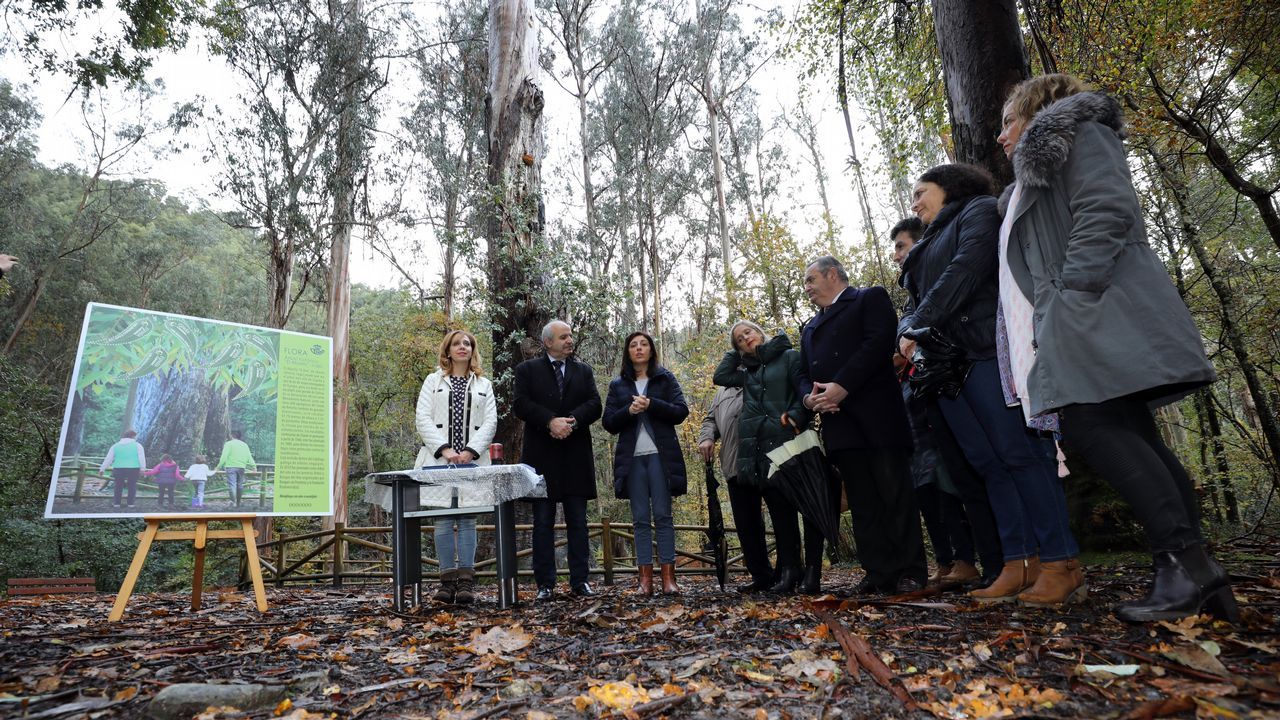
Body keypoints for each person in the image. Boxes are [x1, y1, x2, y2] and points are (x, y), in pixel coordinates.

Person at [996, 74, 1233, 622]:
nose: (1002, 138)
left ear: (1039, 111)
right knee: (1130, 431)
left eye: (1008, 123)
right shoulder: (1036, 175)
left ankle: (1183, 566)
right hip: (1082, 318)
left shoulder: (1081, 134)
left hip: (1096, 311)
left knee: (1091, 426)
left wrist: (1073, 290)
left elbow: (1106, 206)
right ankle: (1195, 572)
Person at [897, 163, 1083, 607]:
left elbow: (967, 269)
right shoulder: (923, 246)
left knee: (1022, 455)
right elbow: (911, 303)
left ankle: (1062, 562)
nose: (916, 202)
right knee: (986, 463)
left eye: (922, 192)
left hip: (987, 352)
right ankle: (1020, 562)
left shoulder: (979, 210)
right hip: (945, 369)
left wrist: (916, 324)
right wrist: (905, 328)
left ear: (949, 187)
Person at [799, 256, 928, 595]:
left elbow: (878, 342)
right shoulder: (810, 327)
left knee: (894, 494)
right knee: (863, 502)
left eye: (811, 280)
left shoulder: (869, 298)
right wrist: (808, 400)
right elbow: (802, 374)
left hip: (876, 416)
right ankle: (878, 571)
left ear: (832, 274)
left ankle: (910, 571)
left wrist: (842, 387)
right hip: (839, 425)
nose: (807, 288)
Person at [891, 216, 997, 587]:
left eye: (902, 247)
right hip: (920, 429)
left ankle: (989, 562)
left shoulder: (947, 290)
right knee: (934, 501)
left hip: (955, 402)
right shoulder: (911, 304)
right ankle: (952, 562)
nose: (896, 257)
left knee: (966, 488)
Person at [714, 321, 822, 595]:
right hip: (765, 451)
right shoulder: (748, 372)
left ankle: (812, 573)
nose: (745, 339)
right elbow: (721, 375)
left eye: (748, 332)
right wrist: (741, 354)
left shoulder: (789, 356)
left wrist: (797, 416)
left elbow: (804, 391)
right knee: (780, 511)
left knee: (809, 508)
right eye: (739, 339)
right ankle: (789, 572)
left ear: (760, 331)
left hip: (793, 443)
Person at [513, 320, 603, 601]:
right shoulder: (527, 370)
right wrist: (550, 421)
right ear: (548, 342)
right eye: (563, 337)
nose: (569, 341)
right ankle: (545, 585)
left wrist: (572, 422)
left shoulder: (583, 371)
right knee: (542, 522)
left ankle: (580, 581)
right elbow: (521, 404)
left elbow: (595, 404)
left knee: (578, 521)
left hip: (575, 455)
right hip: (542, 456)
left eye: (571, 336)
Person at [414, 328, 498, 605]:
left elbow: (490, 422)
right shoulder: (432, 380)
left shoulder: (484, 384)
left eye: (467, 344)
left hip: (472, 461)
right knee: (444, 519)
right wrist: (445, 450)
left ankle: (466, 583)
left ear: (473, 351)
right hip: (438, 460)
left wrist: (470, 451)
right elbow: (423, 418)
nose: (462, 347)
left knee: (467, 519)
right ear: (447, 350)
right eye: (456, 344)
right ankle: (446, 582)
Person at [603, 331, 690, 595]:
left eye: (644, 344)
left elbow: (680, 411)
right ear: (627, 352)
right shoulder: (618, 385)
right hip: (633, 461)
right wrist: (628, 411)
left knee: (663, 516)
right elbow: (608, 422)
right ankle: (644, 581)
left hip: (661, 458)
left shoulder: (665, 378)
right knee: (640, 520)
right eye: (633, 345)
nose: (639, 349)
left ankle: (668, 579)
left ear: (651, 351)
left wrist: (651, 404)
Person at [698, 385, 776, 593]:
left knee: (781, 518)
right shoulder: (722, 391)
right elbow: (710, 419)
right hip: (735, 463)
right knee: (746, 524)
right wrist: (706, 437)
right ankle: (761, 576)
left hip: (771, 459)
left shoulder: (761, 375)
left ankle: (790, 571)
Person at [100, 429, 146, 509]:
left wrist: (102, 469)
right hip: (133, 468)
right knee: (132, 486)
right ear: (133, 436)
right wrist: (142, 469)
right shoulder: (138, 445)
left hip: (119, 468)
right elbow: (141, 458)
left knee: (118, 486)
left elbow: (108, 459)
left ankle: (116, 503)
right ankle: (130, 504)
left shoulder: (115, 446)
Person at [214, 429, 256, 505]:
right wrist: (254, 467)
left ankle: (233, 502)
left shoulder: (228, 444)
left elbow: (224, 457)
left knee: (232, 485)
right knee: (240, 485)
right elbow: (249, 457)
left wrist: (218, 467)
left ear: (231, 435)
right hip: (241, 467)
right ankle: (238, 502)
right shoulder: (244, 445)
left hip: (231, 467)